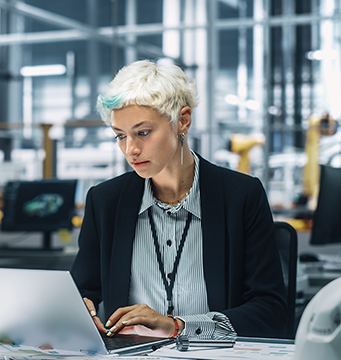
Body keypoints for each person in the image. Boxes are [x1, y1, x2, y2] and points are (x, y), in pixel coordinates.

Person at [70, 60, 287, 340]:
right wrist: (80, 307)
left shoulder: (241, 196)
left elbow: (271, 311)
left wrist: (178, 326)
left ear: (182, 120)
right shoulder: (105, 201)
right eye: (120, 136)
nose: (130, 149)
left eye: (143, 133)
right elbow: (82, 291)